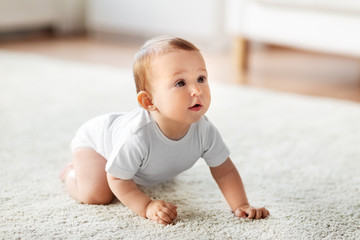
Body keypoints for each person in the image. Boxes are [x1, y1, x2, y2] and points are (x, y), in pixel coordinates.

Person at [60, 36, 270, 224]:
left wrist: (240, 204)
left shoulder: (205, 130)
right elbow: (117, 179)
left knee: (137, 168)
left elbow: (225, 171)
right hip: (97, 144)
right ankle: (71, 172)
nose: (197, 90)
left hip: (136, 159)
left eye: (201, 78)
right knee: (97, 195)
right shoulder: (137, 137)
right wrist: (146, 206)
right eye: (180, 83)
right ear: (149, 101)